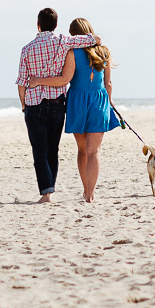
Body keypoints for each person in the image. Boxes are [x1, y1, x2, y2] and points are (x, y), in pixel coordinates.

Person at [22, 17, 120, 202]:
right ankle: (90, 194)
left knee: (83, 150)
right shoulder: (104, 52)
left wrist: (38, 81)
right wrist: (110, 101)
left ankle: (85, 189)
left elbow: (64, 79)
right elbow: (108, 83)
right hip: (99, 101)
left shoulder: (72, 52)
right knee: (95, 151)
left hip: (77, 102)